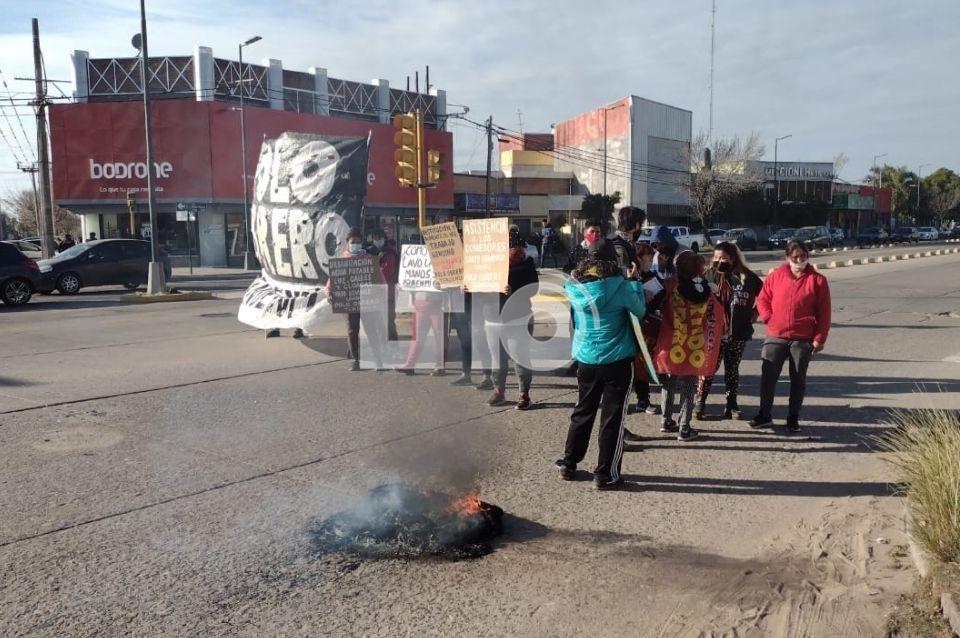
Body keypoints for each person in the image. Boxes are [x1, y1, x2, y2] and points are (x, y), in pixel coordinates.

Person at [555, 239, 647, 490]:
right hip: (617, 358)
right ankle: (605, 474)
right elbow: (639, 312)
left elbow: (575, 318)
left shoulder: (574, 287)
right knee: (612, 418)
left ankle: (569, 462)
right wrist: (634, 282)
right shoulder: (620, 286)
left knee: (583, 411)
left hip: (586, 358)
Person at [749, 241, 831, 432]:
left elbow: (824, 312)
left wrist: (820, 338)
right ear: (787, 258)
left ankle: (793, 418)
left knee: (798, 379)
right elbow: (762, 299)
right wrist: (769, 317)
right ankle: (764, 415)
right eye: (795, 257)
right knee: (768, 377)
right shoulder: (775, 276)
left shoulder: (818, 280)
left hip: (802, 338)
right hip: (776, 336)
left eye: (803, 256)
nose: (800, 260)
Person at [655, 251, 726, 441]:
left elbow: (655, 302)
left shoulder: (670, 285)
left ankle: (666, 420)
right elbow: (717, 314)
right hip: (695, 344)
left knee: (669, 381)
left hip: (672, 342)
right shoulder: (706, 290)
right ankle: (684, 427)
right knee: (689, 385)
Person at [694, 241, 763, 420]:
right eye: (716, 258)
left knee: (732, 370)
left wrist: (756, 312)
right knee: (708, 369)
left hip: (738, 332)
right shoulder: (708, 275)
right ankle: (700, 402)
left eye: (723, 258)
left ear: (732, 259)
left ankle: (731, 405)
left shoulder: (746, 277)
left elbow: (766, 294)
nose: (719, 261)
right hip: (713, 333)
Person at [486, 235, 538, 410]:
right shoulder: (487, 263)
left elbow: (533, 288)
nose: (512, 249)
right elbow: (478, 286)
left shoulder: (527, 264)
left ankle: (524, 394)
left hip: (518, 318)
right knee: (497, 358)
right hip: (493, 318)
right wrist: (467, 287)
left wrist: (514, 290)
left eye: (515, 246)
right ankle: (498, 391)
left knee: (520, 357)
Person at [324, 227, 384, 370]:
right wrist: (329, 294)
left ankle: (378, 360)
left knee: (371, 330)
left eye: (358, 242)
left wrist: (382, 292)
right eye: (353, 242)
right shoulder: (342, 261)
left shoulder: (368, 259)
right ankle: (356, 359)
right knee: (352, 331)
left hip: (368, 302)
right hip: (349, 302)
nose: (355, 244)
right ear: (347, 243)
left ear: (361, 243)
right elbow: (331, 282)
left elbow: (380, 279)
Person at [629, 242, 666, 416]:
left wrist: (656, 297)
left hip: (650, 325)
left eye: (652, 259)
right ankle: (641, 399)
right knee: (636, 364)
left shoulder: (652, 276)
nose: (651, 262)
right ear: (638, 259)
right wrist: (642, 295)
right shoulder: (629, 277)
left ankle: (644, 399)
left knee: (645, 362)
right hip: (634, 326)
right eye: (648, 258)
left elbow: (662, 295)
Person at [396, 288, 446, 376]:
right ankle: (409, 365)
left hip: (437, 304)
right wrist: (411, 299)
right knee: (417, 337)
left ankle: (440, 366)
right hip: (419, 304)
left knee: (440, 338)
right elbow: (411, 283)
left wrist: (446, 302)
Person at [369, 228, 399, 341]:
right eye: (375, 238)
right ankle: (382, 344)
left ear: (384, 239)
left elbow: (384, 274)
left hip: (388, 295)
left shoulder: (390, 253)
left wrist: (375, 262)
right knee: (378, 323)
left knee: (389, 322)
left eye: (379, 238)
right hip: (374, 295)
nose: (377, 241)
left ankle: (393, 345)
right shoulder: (370, 252)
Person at [607, 206, 645, 277]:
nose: (641, 226)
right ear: (636, 223)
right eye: (641, 222)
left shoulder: (625, 241)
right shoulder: (618, 244)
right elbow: (625, 272)